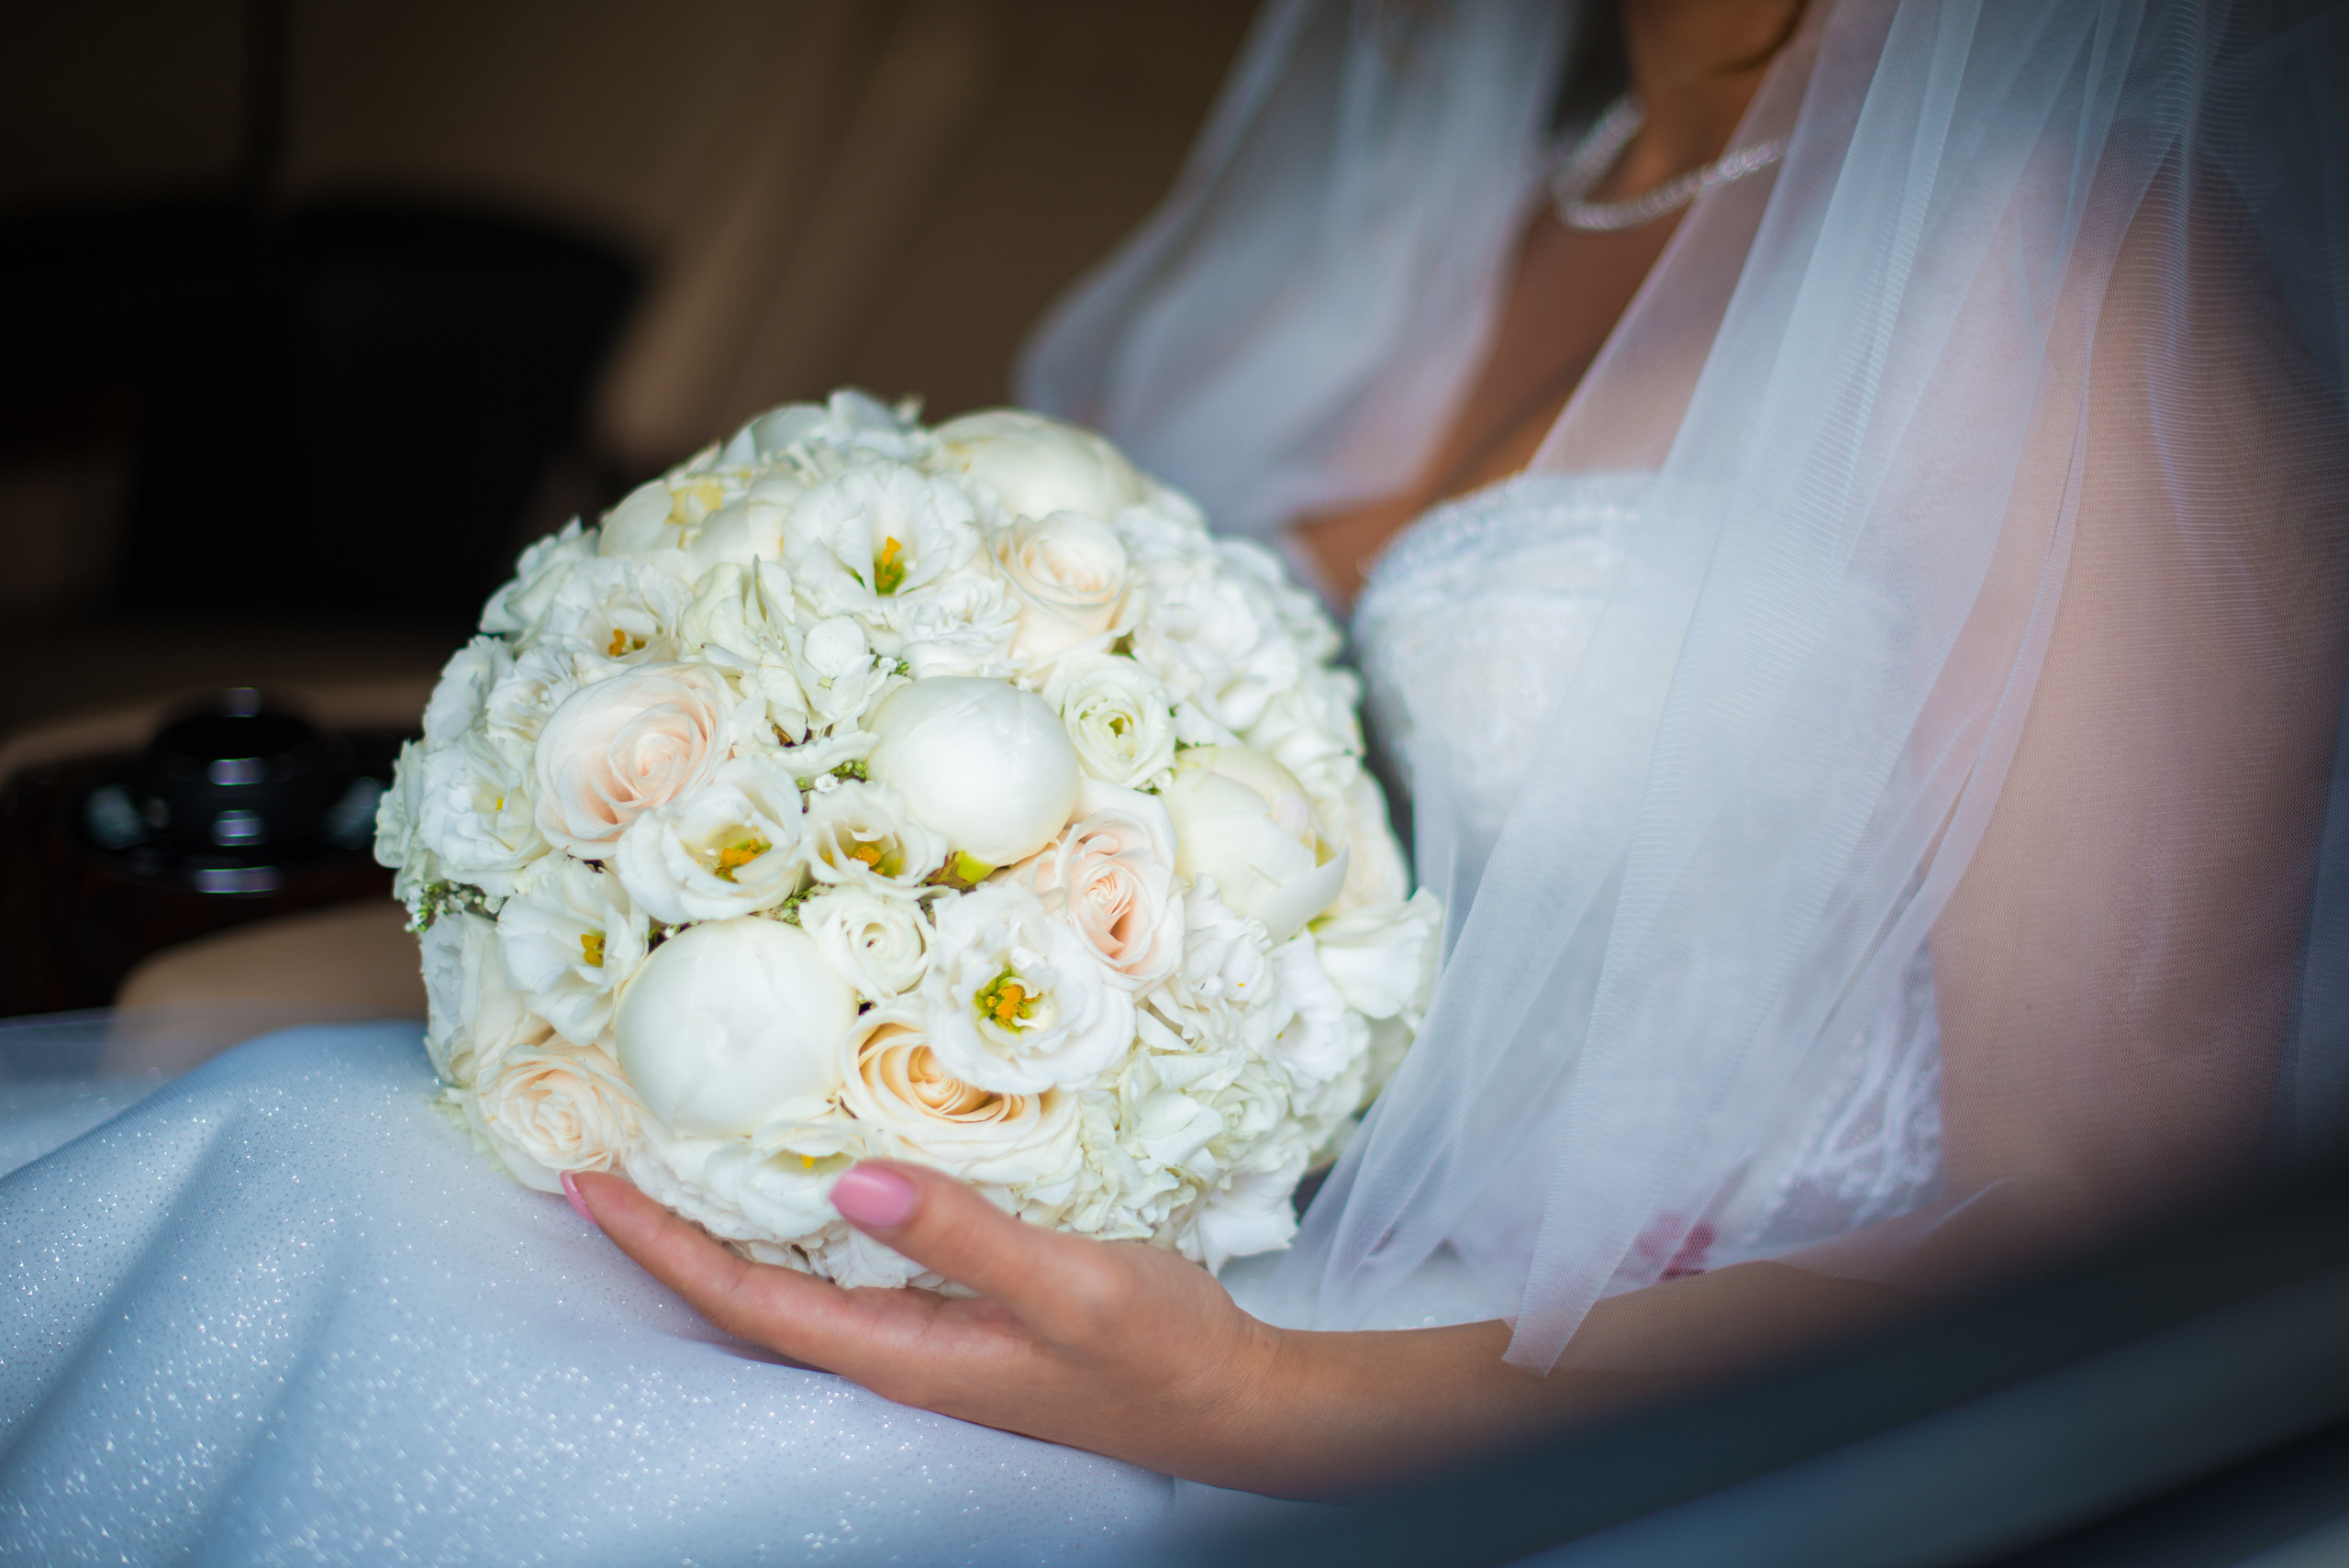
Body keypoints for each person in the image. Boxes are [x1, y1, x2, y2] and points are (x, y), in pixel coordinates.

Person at [4, 0, 2345, 1554]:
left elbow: (2104, 1234)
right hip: (1256, 1236)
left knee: (341, 1231)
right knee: (308, 1157)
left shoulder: (2080, 273)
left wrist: (1237, 1405)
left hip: (1605, 1417)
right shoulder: (1535, 184)